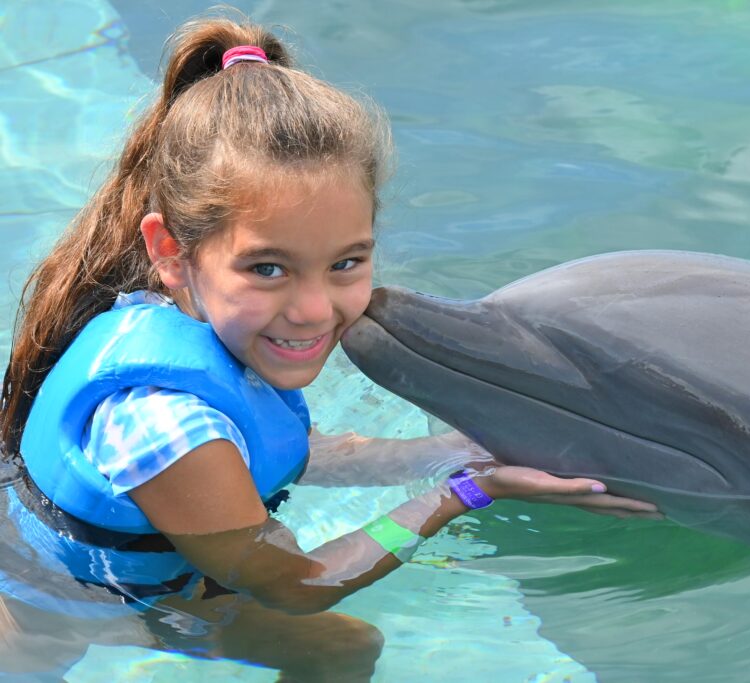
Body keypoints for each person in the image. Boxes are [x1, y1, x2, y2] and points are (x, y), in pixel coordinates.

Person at [0, 14, 658, 682]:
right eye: (268, 268)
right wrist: (463, 492)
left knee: (340, 652)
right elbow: (299, 584)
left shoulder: (202, 326)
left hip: (153, 572)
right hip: (52, 609)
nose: (315, 309)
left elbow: (269, 449)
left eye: (346, 262)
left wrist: (448, 450)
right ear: (171, 252)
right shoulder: (167, 423)